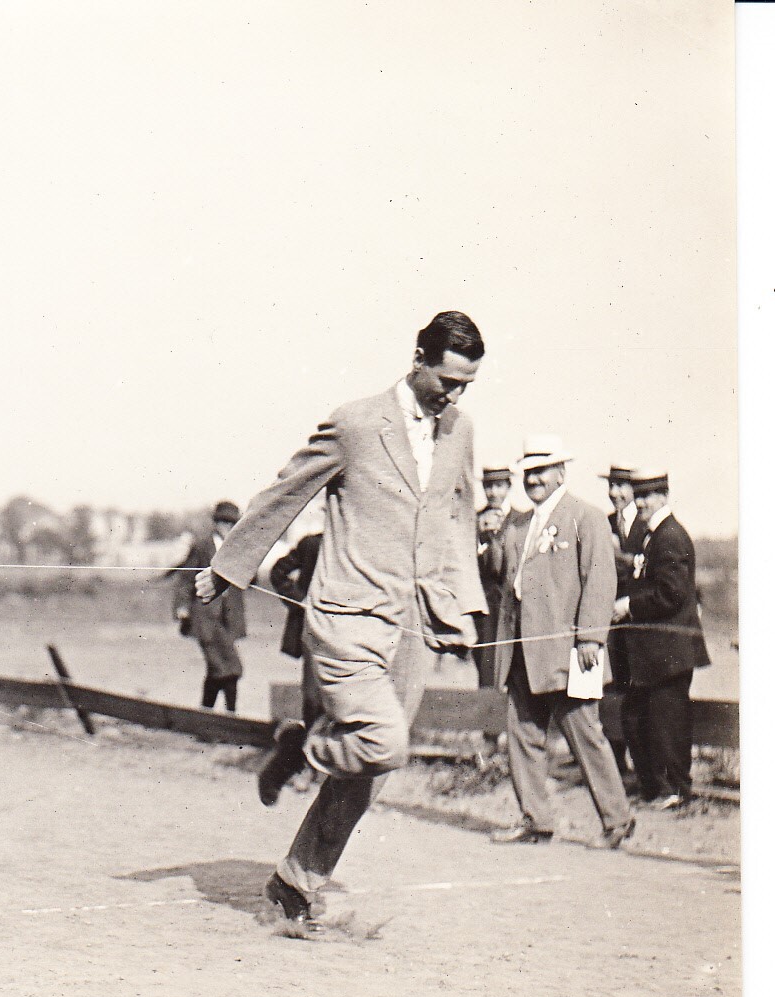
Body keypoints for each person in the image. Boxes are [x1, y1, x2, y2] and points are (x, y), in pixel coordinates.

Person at [196, 311, 487, 926]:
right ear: (418, 359)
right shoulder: (357, 423)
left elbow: (459, 514)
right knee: (385, 742)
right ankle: (305, 747)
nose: (455, 396)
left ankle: (295, 884)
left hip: (415, 623)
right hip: (347, 614)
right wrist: (229, 567)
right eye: (447, 382)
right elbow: (286, 492)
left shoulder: (460, 431)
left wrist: (465, 607)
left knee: (375, 769)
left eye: (467, 385)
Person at [489, 436, 634, 850]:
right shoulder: (517, 523)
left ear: (561, 473)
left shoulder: (585, 517)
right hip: (519, 649)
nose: (533, 479)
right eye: (528, 472)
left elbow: (600, 581)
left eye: (541, 470)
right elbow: (502, 574)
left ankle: (617, 820)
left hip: (567, 651)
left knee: (584, 733)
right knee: (522, 734)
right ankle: (537, 820)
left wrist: (590, 637)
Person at [612, 468, 710, 809]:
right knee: (637, 717)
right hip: (656, 653)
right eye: (637, 495)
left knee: (668, 722)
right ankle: (655, 789)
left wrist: (628, 605)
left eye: (647, 496)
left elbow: (672, 595)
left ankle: (676, 792)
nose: (639, 503)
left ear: (663, 497)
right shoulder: (652, 536)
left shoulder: (669, 536)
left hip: (671, 651)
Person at [255, 526, 325, 807]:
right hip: (314, 632)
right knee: (312, 699)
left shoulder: (363, 545)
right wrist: (300, 602)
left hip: (351, 634)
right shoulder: (312, 545)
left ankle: (322, 769)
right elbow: (277, 573)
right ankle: (306, 766)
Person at [172, 501, 248, 712]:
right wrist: (182, 607)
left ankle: (206, 718)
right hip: (205, 617)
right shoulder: (203, 546)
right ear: (215, 523)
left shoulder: (237, 548)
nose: (227, 527)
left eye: (232, 523)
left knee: (218, 669)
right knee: (230, 668)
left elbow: (251, 579)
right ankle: (230, 717)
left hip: (229, 619)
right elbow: (186, 577)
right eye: (223, 522)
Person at [599, 463, 646, 777]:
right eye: (612, 486)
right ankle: (616, 761)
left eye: (622, 486)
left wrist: (623, 560)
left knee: (638, 688)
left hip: (639, 619)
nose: (615, 493)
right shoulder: (603, 524)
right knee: (611, 686)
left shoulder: (647, 525)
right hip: (610, 619)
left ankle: (645, 765)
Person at [473, 464, 516, 688]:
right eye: (489, 486)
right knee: (486, 670)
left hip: (511, 606)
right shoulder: (474, 520)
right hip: (484, 607)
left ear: (508, 486)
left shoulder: (520, 519)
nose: (494, 493)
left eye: (499, 485)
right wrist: (481, 536)